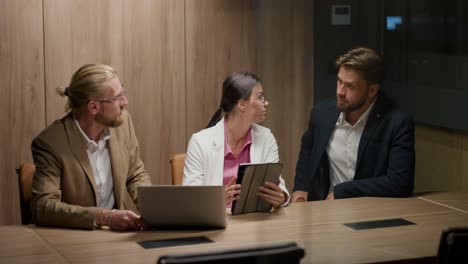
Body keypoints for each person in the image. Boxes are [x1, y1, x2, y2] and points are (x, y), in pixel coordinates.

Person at [31, 64, 152, 230]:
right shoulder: (50, 143)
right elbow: (43, 207)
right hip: (75, 242)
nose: (125, 101)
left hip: (119, 238)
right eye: (118, 97)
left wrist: (152, 210)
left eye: (122, 93)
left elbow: (135, 174)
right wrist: (104, 217)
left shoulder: (122, 123)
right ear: (93, 107)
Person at [291, 47, 415, 202]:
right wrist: (301, 188)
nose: (340, 92)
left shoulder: (396, 122)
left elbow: (400, 182)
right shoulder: (322, 112)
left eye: (350, 86)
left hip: (372, 213)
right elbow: (308, 151)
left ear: (372, 90)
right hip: (324, 210)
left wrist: (343, 192)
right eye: (339, 81)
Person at [183, 72, 289, 208]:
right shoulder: (200, 142)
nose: (266, 103)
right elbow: (190, 198)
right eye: (260, 97)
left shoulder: (266, 138)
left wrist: (282, 197)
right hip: (216, 221)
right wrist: (217, 200)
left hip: (255, 221)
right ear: (242, 105)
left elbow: (277, 183)